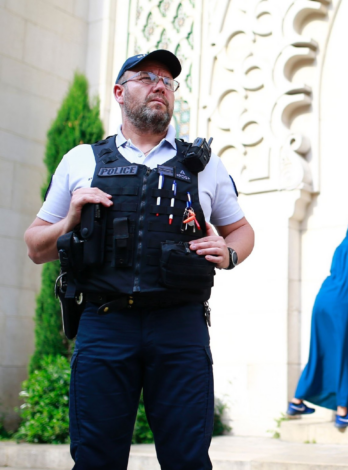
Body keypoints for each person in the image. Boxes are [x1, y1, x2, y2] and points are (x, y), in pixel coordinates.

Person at [24, 50, 255, 469]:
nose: (159, 86)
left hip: (180, 329)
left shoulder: (204, 167)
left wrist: (231, 251)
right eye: (147, 77)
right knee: (96, 459)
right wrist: (69, 220)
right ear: (119, 91)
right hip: (104, 324)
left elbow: (242, 230)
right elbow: (35, 246)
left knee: (188, 461)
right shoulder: (81, 161)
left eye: (168, 81)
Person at [287, 211, 348, 428]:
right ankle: (343, 412)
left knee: (321, 353)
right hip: (344, 305)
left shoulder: (341, 246)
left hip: (324, 300)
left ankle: (297, 401)